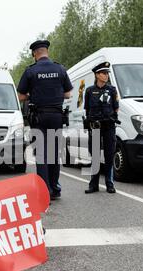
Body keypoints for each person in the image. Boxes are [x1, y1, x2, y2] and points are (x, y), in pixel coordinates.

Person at [17, 40, 73, 200]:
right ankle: (55, 188)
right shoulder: (60, 69)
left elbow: (21, 96)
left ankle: (44, 190)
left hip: (39, 117)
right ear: (47, 51)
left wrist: (33, 95)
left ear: (35, 54)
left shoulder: (31, 71)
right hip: (56, 117)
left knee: (41, 154)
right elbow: (68, 93)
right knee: (54, 153)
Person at [84, 62, 119, 194]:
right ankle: (94, 185)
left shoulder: (112, 90)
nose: (106, 75)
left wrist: (113, 117)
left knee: (109, 155)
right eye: (104, 73)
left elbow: (116, 107)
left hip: (109, 126)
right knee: (95, 157)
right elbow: (87, 110)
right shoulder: (89, 91)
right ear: (97, 75)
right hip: (95, 127)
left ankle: (109, 184)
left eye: (107, 73)